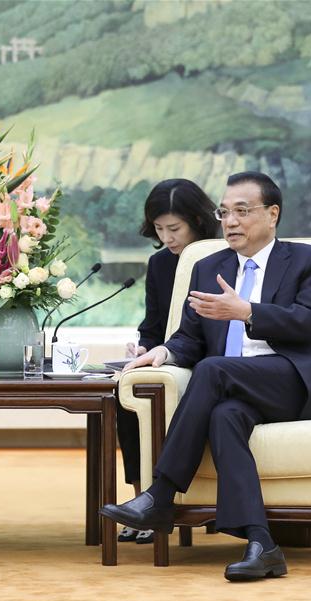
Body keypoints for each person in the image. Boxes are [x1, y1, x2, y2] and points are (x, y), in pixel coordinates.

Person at [101, 171, 311, 581]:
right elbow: (189, 339)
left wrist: (247, 312)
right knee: (223, 416)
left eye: (242, 211)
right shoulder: (207, 267)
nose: (230, 221)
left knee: (213, 370)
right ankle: (262, 545)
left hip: (292, 382)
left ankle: (161, 495)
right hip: (235, 387)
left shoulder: (306, 259)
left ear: (272, 214)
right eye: (225, 212)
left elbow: (309, 322)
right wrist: (162, 352)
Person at [117, 178, 219, 545]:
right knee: (130, 395)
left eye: (174, 228)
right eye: (159, 229)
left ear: (197, 220)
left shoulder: (222, 256)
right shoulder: (160, 263)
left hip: (212, 361)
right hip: (169, 361)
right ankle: (141, 500)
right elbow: (153, 325)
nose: (167, 237)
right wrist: (144, 349)